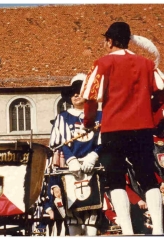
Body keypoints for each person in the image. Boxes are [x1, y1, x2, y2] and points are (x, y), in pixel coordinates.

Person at [80, 21, 164, 235]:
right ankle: (158, 231)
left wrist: (88, 122)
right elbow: (161, 92)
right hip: (143, 130)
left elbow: (89, 98)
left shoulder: (102, 63)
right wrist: (151, 115)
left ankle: (127, 232)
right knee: (148, 177)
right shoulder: (146, 64)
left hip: (113, 130)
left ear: (109, 41)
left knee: (115, 180)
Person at [48, 73, 102, 236]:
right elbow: (58, 143)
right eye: (73, 92)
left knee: (92, 218)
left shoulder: (100, 116)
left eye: (79, 90)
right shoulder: (62, 118)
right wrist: (71, 159)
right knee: (73, 218)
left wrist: (93, 156)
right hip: (70, 170)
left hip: (93, 168)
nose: (76, 95)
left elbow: (105, 141)